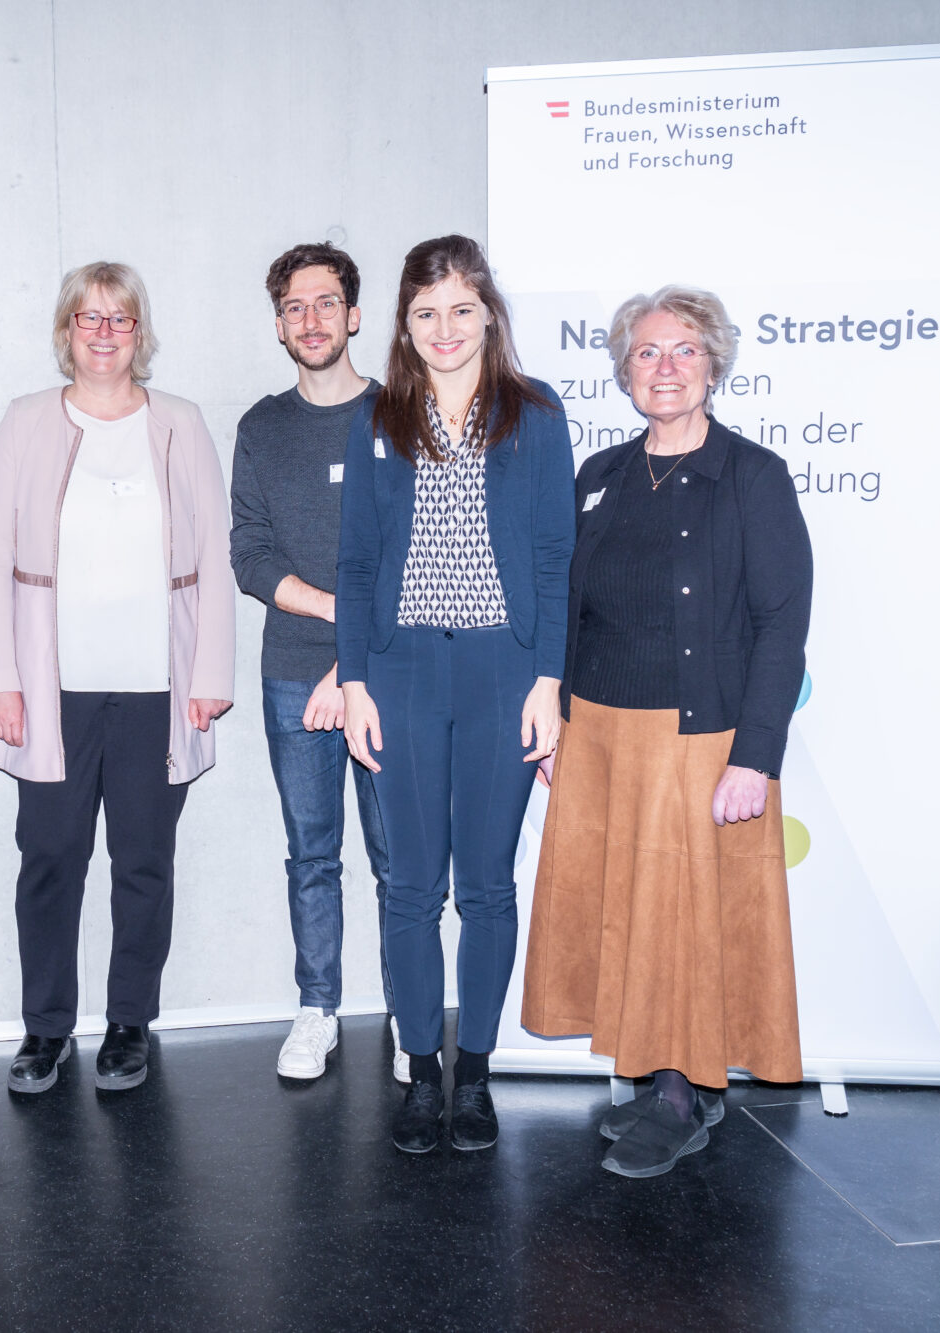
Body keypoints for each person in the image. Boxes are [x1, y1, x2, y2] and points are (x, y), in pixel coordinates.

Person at [521, 285, 812, 1179]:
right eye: (646, 352)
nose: (665, 367)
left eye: (684, 349)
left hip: (696, 738)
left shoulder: (753, 476)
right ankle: (659, 1077)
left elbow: (782, 625)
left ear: (714, 365)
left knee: (683, 918)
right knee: (626, 911)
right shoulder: (600, 475)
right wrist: (560, 719)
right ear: (624, 372)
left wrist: (754, 757)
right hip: (602, 733)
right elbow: (569, 606)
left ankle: (683, 1097)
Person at [336, 234, 574, 1153]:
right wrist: (355, 679)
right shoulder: (379, 417)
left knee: (484, 885)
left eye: (462, 309)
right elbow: (356, 563)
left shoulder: (534, 413)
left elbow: (554, 556)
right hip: (399, 671)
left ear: (488, 315)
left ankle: (472, 1074)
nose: (445, 328)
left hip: (501, 673)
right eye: (427, 312)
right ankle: (419, 1071)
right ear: (405, 323)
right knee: (408, 885)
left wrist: (548, 680)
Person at [0, 261, 236, 1095]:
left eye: (119, 318)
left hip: (160, 686)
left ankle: (130, 1023)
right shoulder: (24, 421)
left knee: (143, 861)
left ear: (138, 333)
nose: (103, 332)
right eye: (87, 318)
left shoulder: (181, 422)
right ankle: (46, 1028)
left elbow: (216, 552)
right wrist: (0, 679)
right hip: (52, 688)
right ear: (66, 332)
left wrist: (210, 670)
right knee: (50, 858)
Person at [230, 242, 400, 1084]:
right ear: (279, 325)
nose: (311, 318)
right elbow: (250, 556)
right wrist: (340, 619)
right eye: (295, 306)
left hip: (392, 673)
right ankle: (317, 1007)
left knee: (400, 858)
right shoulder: (261, 427)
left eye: (326, 302)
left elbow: (417, 553)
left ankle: (409, 1013)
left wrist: (356, 657)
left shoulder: (401, 415)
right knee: (312, 853)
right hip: (294, 673)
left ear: (354, 315)